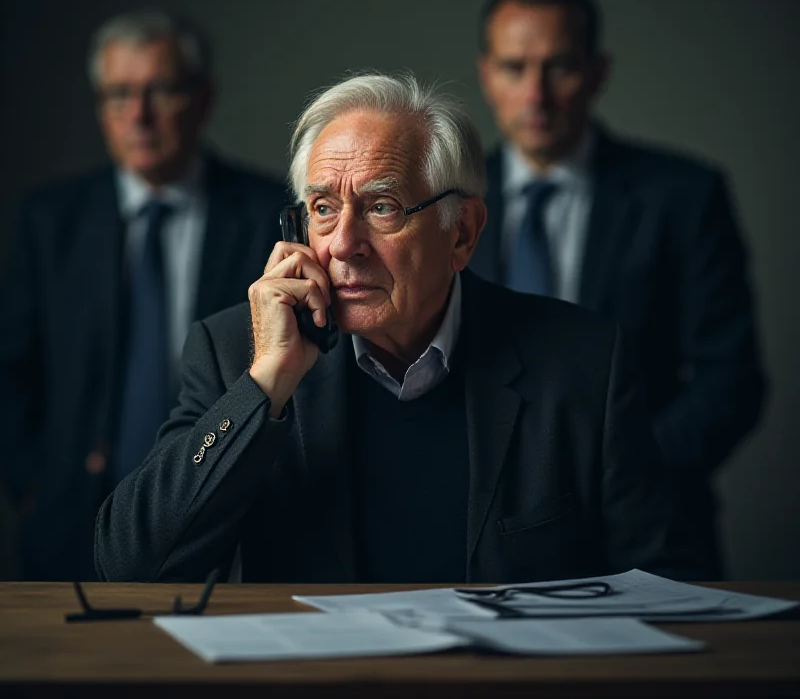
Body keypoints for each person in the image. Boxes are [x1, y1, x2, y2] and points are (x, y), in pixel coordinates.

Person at [96, 73, 699, 584]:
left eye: (382, 207)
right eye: (324, 209)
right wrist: (263, 389)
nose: (343, 246)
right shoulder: (238, 351)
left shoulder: (583, 361)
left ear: (461, 233)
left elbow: (662, 588)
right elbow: (130, 566)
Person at [470, 0, 767, 579]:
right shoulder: (445, 202)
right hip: (480, 532)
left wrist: (623, 472)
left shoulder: (683, 196)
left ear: (599, 73)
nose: (536, 94)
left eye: (560, 67)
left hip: (654, 531)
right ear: (485, 75)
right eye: (514, 68)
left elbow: (731, 381)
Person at [0, 10, 288, 580]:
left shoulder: (265, 212)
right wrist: (31, 485)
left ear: (204, 99)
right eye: (119, 94)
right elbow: (11, 366)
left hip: (221, 509)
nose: (139, 115)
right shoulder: (51, 220)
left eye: (162, 91)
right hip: (69, 523)